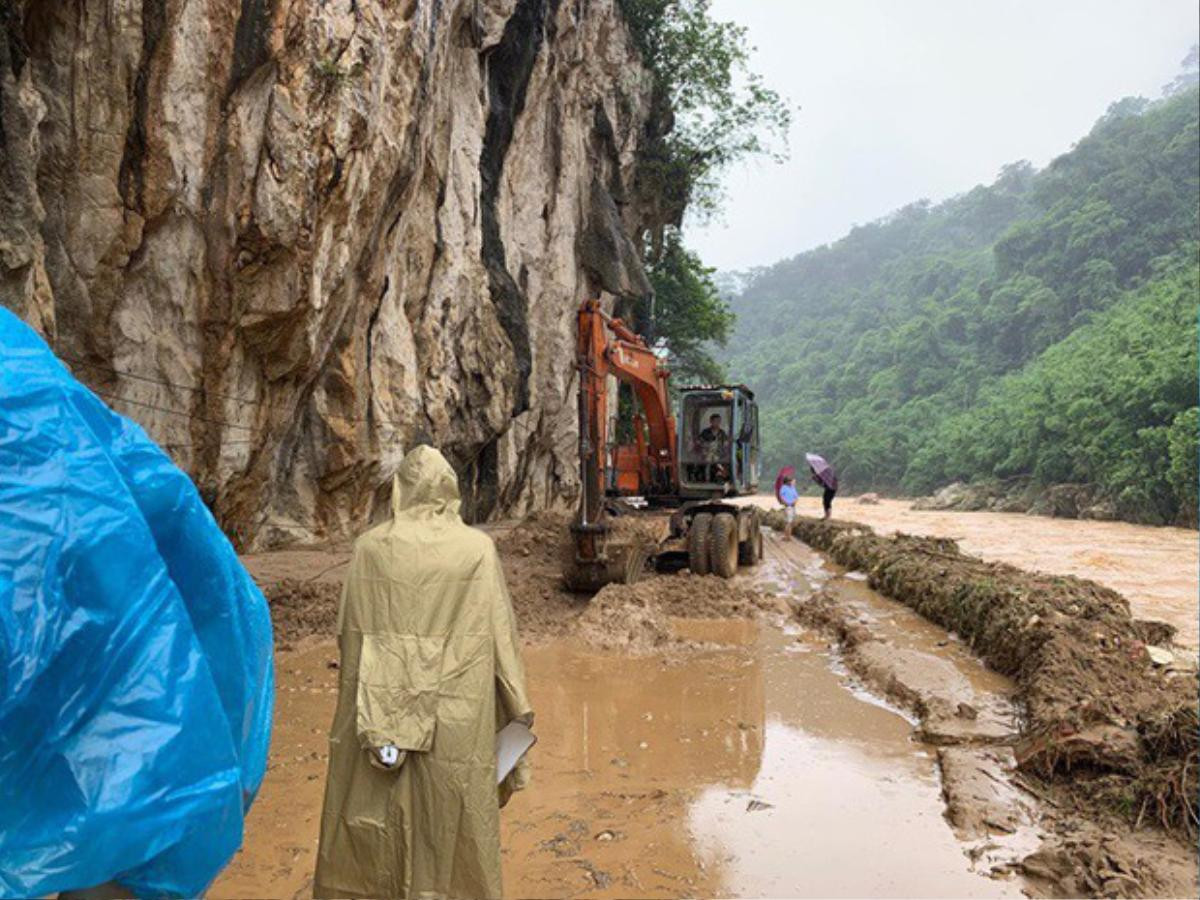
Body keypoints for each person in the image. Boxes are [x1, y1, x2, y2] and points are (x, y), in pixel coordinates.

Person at [313, 446, 533, 900]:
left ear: (400, 491)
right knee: (450, 824)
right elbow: (500, 639)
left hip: (376, 709)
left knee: (378, 821)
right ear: (449, 491)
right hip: (457, 716)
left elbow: (348, 634)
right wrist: (516, 710)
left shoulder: (369, 549)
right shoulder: (477, 550)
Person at [698, 413, 728, 482]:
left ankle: (722, 475)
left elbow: (726, 444)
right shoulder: (705, 432)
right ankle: (707, 479)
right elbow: (699, 442)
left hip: (719, 454)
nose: (717, 423)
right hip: (707, 454)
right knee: (708, 459)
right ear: (711, 422)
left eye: (718, 421)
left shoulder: (722, 433)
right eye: (715, 421)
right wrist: (705, 445)